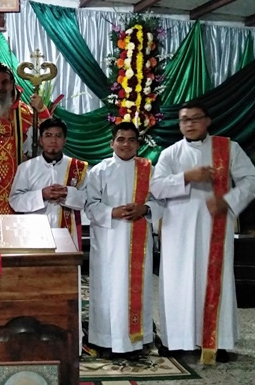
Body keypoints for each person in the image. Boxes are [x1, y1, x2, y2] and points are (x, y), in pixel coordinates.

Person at [150, 102, 255, 365]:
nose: (189, 124)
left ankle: (217, 341)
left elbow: (252, 180)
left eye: (195, 118)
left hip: (214, 226)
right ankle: (177, 341)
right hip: (178, 230)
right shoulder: (170, 153)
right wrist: (186, 177)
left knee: (215, 281)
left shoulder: (227, 148)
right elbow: (155, 187)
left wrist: (229, 200)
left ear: (207, 120)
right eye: (184, 120)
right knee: (178, 284)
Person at [85, 122, 163, 358]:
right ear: (112, 143)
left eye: (131, 140)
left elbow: (161, 201)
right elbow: (89, 205)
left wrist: (144, 208)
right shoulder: (99, 171)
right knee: (108, 290)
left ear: (138, 144)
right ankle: (105, 339)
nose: (126, 144)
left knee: (137, 289)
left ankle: (137, 340)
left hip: (139, 241)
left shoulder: (149, 171)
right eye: (121, 139)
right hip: (109, 242)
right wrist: (112, 212)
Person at [0, 62, 51, 215]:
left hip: (18, 189)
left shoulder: (25, 112)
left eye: (5, 82)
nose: (0, 87)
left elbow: (49, 138)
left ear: (12, 84)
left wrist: (41, 110)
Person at [8, 117, 88, 250]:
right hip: (35, 233)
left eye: (58, 136)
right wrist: (41, 195)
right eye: (48, 135)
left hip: (68, 233)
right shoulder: (27, 168)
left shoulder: (77, 167)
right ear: (41, 140)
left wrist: (67, 194)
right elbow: (15, 201)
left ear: (65, 140)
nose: (53, 140)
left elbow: (87, 199)